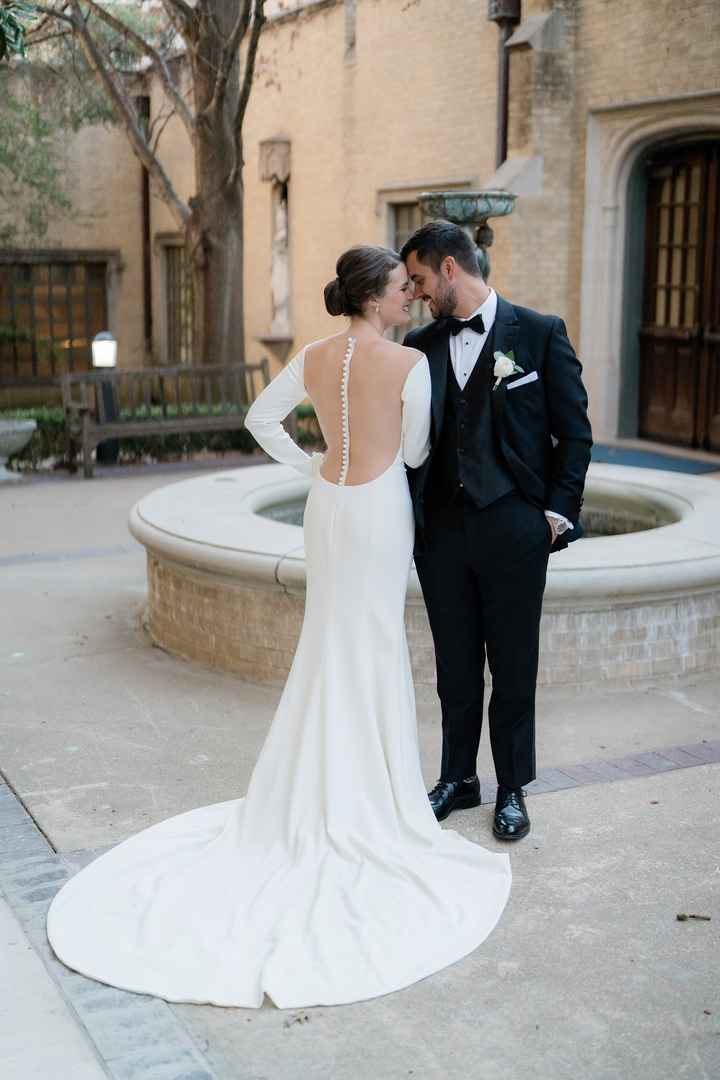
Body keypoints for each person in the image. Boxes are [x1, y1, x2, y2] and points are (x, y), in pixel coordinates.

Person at [46, 245, 511, 1010]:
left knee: (329, 640)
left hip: (328, 505)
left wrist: (309, 466)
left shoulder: (317, 354)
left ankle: (319, 791)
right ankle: (376, 801)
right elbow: (421, 451)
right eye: (400, 289)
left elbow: (258, 417)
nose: (409, 298)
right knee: (370, 645)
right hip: (380, 508)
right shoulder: (409, 366)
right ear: (374, 297)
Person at [401, 221, 592, 841]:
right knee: (454, 666)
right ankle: (458, 778)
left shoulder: (538, 333)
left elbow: (575, 433)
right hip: (443, 535)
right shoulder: (422, 344)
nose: (420, 293)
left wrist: (555, 517)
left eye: (422, 280)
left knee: (513, 664)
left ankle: (512, 786)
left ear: (451, 268)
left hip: (514, 527)